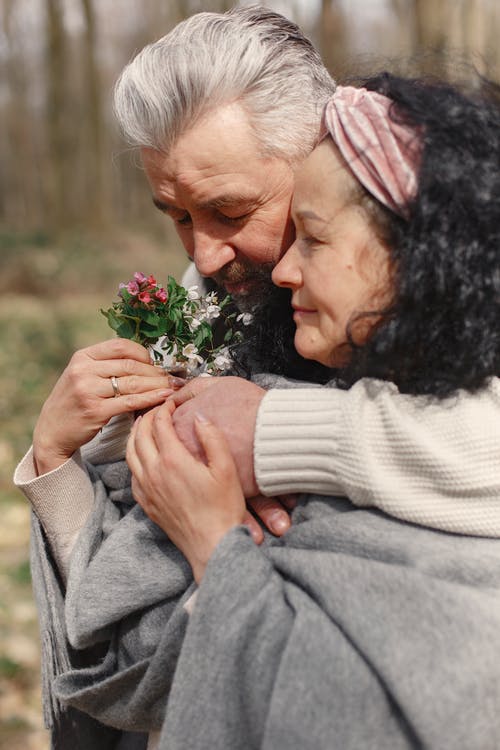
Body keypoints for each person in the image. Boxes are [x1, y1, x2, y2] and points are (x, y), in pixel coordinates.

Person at [12, 5, 500, 747]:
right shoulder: (213, 305)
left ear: (318, 156)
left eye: (229, 210)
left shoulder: (442, 323)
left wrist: (269, 431)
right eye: (176, 215)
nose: (204, 257)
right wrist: (60, 463)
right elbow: (134, 634)